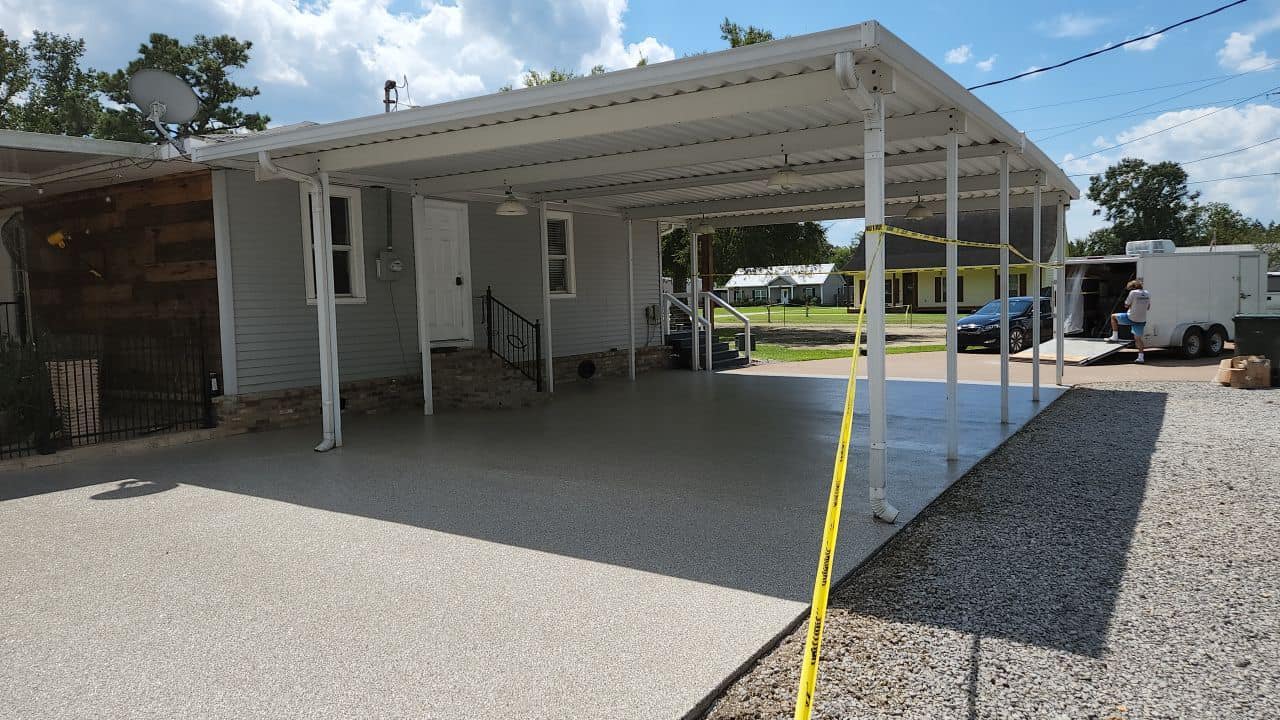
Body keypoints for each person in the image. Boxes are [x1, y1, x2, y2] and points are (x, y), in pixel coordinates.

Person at [1107, 279, 1152, 363]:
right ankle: (1141, 357)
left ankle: (1115, 336)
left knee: (1113, 317)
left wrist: (1132, 305)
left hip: (1130, 317)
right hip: (1141, 320)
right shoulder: (1147, 293)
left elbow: (1126, 305)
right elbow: (1148, 307)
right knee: (1138, 339)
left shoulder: (1133, 293)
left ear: (1132, 287)